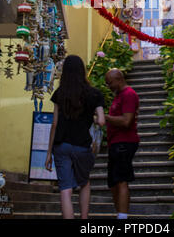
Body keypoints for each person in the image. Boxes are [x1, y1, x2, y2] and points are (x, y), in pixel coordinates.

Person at [45, 55, 105, 219]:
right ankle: (84, 218)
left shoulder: (60, 93)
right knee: (84, 183)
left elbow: (55, 124)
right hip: (82, 146)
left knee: (65, 188)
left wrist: (49, 153)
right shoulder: (94, 94)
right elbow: (101, 121)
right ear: (82, 71)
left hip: (61, 145)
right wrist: (88, 117)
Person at [105, 68, 140, 220]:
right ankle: (120, 213)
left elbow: (126, 121)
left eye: (110, 82)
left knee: (121, 179)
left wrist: (105, 117)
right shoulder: (119, 96)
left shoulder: (129, 95)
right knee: (113, 181)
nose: (108, 86)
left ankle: (123, 216)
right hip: (115, 142)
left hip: (124, 142)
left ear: (118, 79)